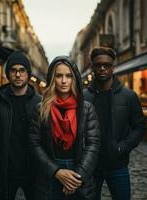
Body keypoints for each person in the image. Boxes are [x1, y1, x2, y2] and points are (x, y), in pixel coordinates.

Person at [29, 56, 100, 200]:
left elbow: (93, 144)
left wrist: (78, 177)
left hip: (78, 168)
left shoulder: (86, 109)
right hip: (50, 171)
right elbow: (33, 144)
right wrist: (56, 171)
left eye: (68, 76)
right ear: (52, 79)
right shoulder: (41, 109)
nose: (63, 81)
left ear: (74, 79)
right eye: (59, 76)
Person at [83, 47, 146, 200]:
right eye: (98, 65)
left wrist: (122, 148)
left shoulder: (128, 96)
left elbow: (139, 127)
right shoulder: (83, 96)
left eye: (107, 65)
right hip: (91, 165)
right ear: (93, 67)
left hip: (118, 165)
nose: (102, 68)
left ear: (113, 66)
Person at [0, 51, 41, 200]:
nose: (18, 75)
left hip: (33, 172)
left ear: (28, 74)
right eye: (13, 70)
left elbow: (46, 137)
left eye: (22, 70)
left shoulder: (40, 103)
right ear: (8, 74)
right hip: (5, 172)